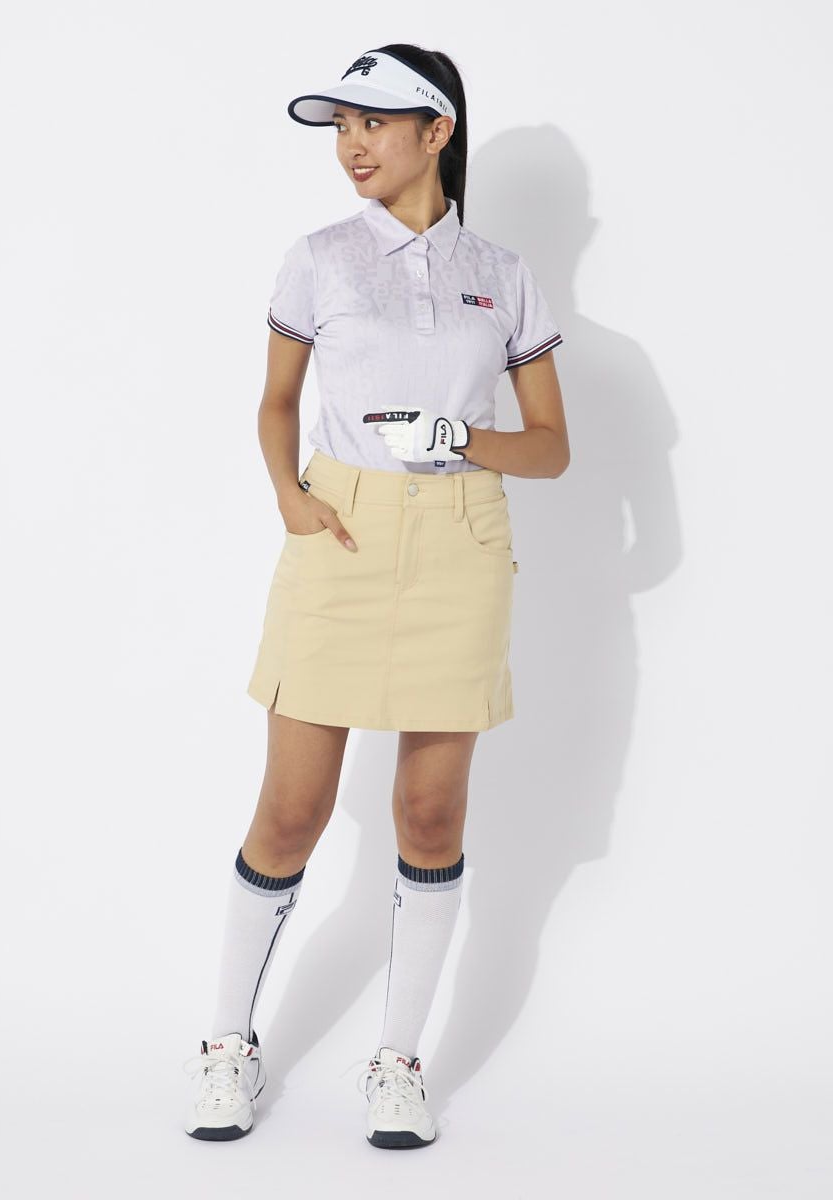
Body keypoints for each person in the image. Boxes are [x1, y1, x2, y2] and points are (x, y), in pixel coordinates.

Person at [184, 43, 568, 1148]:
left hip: (460, 539)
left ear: (436, 132)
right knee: (292, 811)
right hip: (340, 533)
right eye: (341, 125)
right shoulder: (319, 259)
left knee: (431, 815)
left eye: (376, 122)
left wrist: (462, 436)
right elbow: (276, 403)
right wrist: (289, 499)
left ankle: (398, 1062)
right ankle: (226, 1044)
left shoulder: (503, 272)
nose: (352, 144)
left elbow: (550, 448)